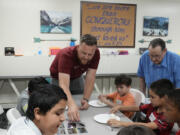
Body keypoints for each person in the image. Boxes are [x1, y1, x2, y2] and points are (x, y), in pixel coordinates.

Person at [50, 34, 100, 121]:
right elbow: (64, 84)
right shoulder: (66, 54)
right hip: (58, 79)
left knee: (78, 102)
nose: (86, 57)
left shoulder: (96, 53)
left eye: (90, 55)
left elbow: (90, 77)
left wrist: (86, 99)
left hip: (77, 77)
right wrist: (71, 105)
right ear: (78, 47)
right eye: (84, 53)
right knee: (60, 105)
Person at [108, 79, 174, 135]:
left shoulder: (168, 115)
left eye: (152, 97)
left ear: (165, 97)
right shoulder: (153, 106)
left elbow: (149, 126)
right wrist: (120, 107)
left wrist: (122, 123)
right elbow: (138, 108)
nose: (150, 99)